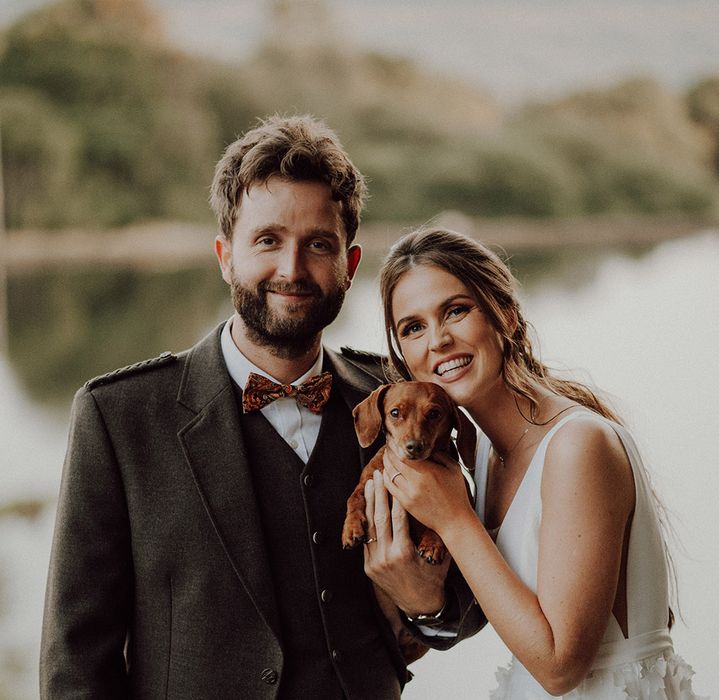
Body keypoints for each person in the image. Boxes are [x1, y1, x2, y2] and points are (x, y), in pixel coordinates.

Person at [40, 118, 483, 699]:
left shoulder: (401, 398)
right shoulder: (119, 417)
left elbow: (467, 608)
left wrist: (427, 604)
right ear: (226, 256)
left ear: (349, 267)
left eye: (317, 244)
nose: (292, 270)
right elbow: (76, 666)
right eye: (267, 240)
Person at [371, 227, 707, 698]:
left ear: (505, 314)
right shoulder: (486, 453)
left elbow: (560, 668)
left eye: (456, 311)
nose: (438, 340)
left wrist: (453, 519)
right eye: (413, 327)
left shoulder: (577, 445)